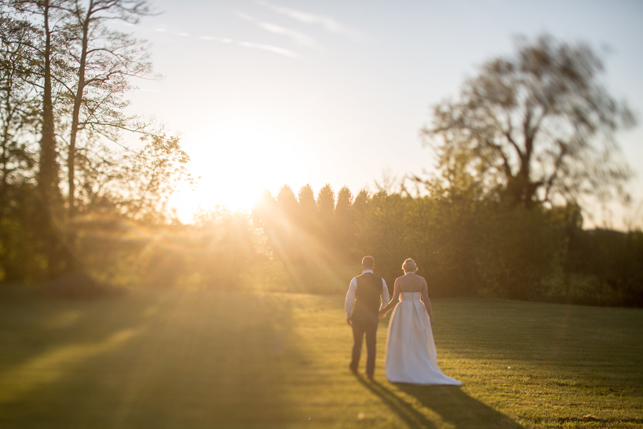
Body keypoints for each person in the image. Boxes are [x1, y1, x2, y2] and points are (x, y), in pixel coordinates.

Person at [379, 258, 462, 385]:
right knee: (418, 337)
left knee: (404, 336)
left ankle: (404, 364)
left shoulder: (399, 280)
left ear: (404, 268)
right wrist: (430, 316)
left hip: (404, 310)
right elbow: (427, 299)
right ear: (415, 268)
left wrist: (384, 311)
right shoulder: (421, 280)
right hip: (418, 309)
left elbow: (395, 300)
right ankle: (419, 362)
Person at [345, 256, 389, 379]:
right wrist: (381, 310)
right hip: (372, 316)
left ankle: (354, 367)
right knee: (371, 343)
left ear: (362, 265)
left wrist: (348, 315)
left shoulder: (355, 280)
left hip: (358, 315)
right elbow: (385, 299)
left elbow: (349, 300)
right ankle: (369, 372)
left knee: (357, 342)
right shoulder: (381, 281)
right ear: (373, 266)